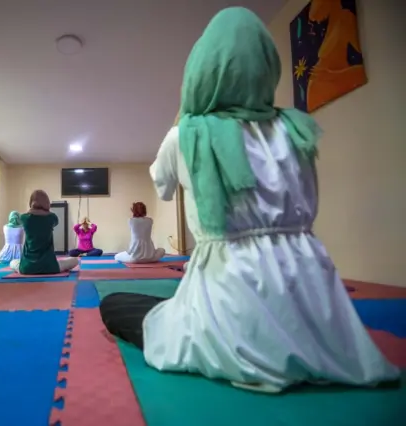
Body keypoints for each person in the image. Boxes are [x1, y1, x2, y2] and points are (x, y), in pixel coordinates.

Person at [99, 7, 399, 393]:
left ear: (202, 70)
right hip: (316, 315)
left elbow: (162, 186)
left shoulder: (184, 135)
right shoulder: (296, 130)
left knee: (118, 303)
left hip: (230, 315)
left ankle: (229, 344)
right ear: (268, 68)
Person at [10, 190, 79, 274]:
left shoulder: (24, 218)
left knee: (12, 262)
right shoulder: (52, 217)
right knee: (75, 260)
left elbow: (22, 219)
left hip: (27, 268)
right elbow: (55, 222)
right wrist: (45, 211)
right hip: (50, 267)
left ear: (31, 202)